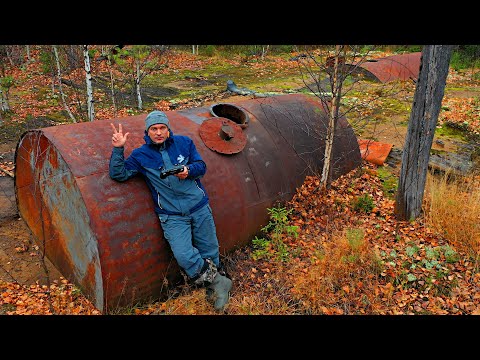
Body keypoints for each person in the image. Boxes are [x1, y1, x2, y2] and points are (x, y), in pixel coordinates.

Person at [108, 110, 232, 312]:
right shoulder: (140, 155)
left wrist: (188, 171)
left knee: (209, 249)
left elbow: (201, 166)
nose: (158, 132)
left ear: (168, 129)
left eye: (162, 128)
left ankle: (215, 289)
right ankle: (220, 283)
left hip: (198, 206)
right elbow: (118, 174)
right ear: (147, 132)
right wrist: (118, 149)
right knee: (183, 255)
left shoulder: (184, 142)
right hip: (172, 216)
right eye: (154, 129)